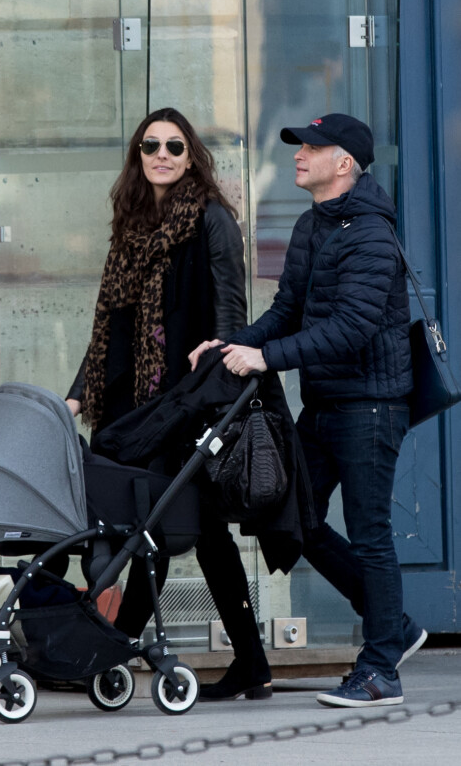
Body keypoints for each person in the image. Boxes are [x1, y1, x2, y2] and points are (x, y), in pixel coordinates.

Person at [189, 113, 427, 707]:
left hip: (371, 407)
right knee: (297, 520)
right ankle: (393, 625)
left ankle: (380, 672)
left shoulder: (369, 233)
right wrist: (231, 344)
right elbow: (287, 310)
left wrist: (265, 359)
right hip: (324, 403)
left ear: (343, 163)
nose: (300, 154)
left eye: (313, 147)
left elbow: (350, 329)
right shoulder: (312, 225)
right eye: (300, 145)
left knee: (370, 535)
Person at [66, 107, 273, 701]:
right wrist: (79, 393)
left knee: (161, 526)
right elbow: (109, 329)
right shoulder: (131, 225)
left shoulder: (211, 219)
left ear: (191, 157)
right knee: (193, 532)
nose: (162, 155)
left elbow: (231, 308)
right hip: (138, 406)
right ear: (138, 155)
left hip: (189, 402)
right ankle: (251, 666)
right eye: (151, 145)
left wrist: (220, 369)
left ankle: (110, 651)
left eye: (175, 147)